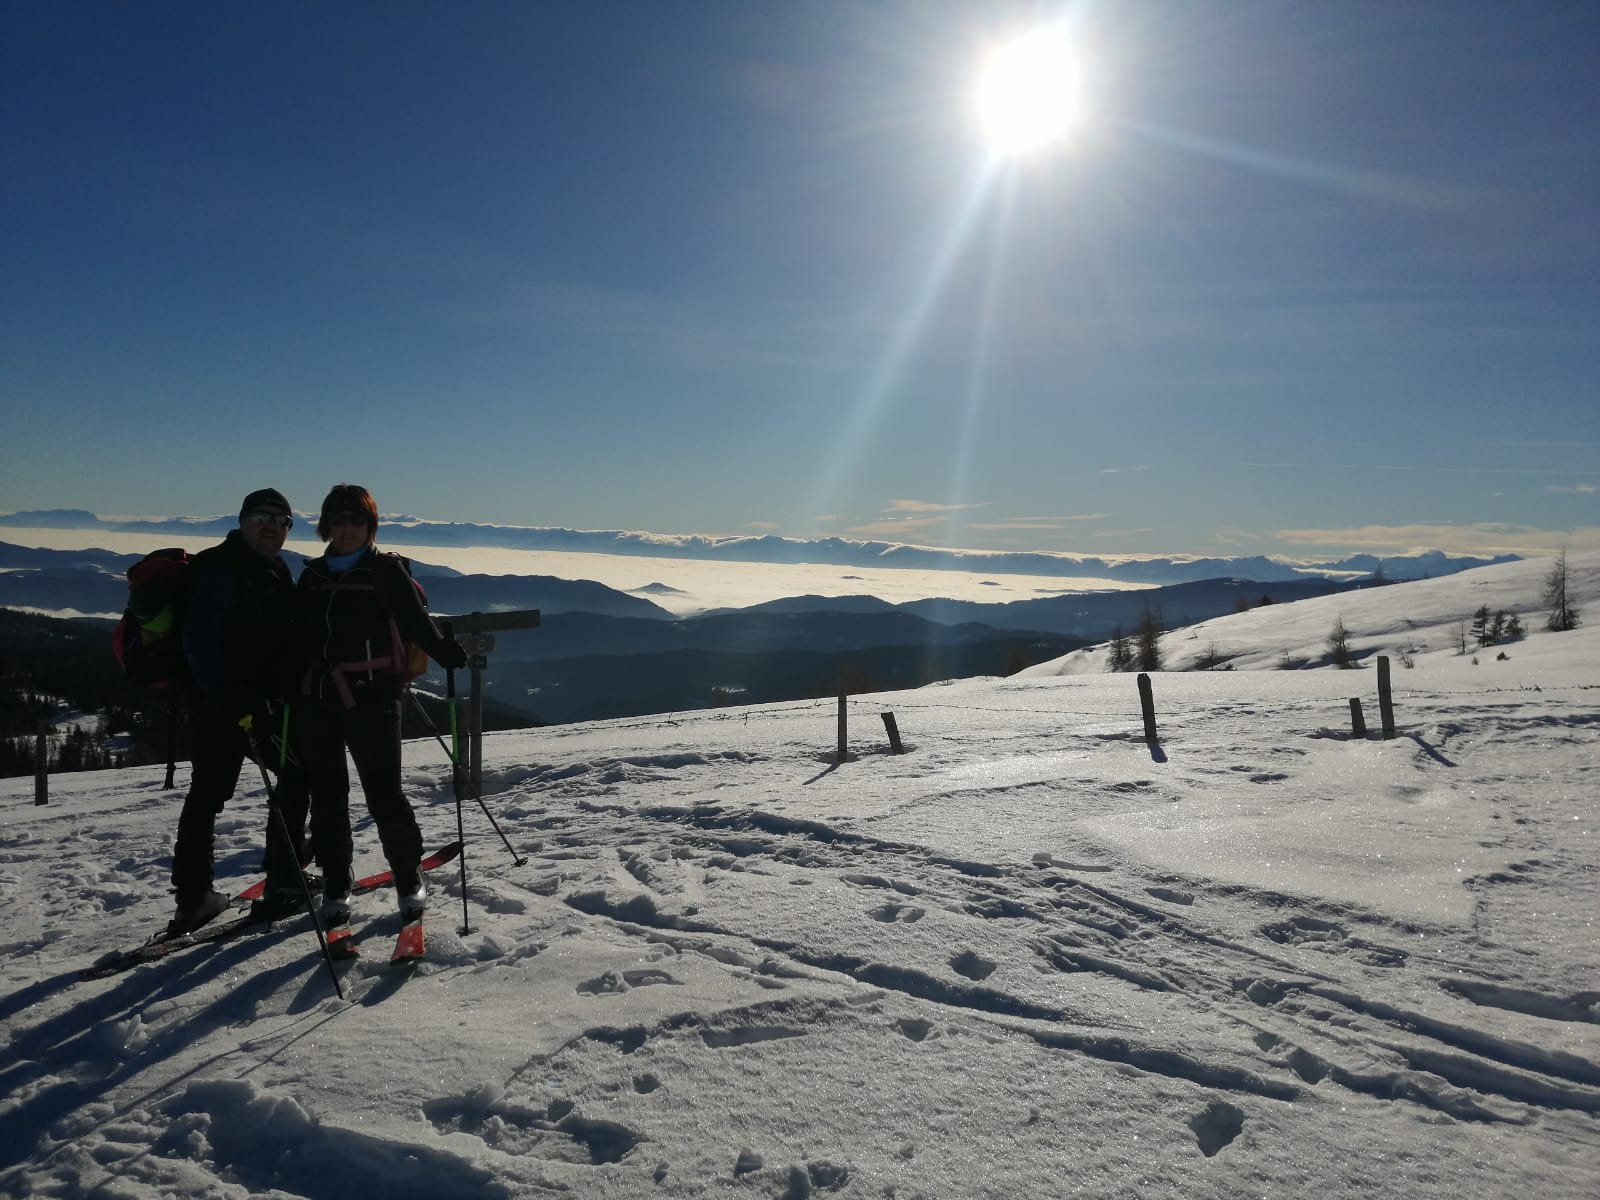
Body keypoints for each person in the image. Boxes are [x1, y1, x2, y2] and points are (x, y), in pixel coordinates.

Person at [293, 483, 465, 924]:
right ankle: (337, 878)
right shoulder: (312, 576)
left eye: (357, 519)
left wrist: (443, 651)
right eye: (339, 519)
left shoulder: (385, 572)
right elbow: (296, 637)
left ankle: (407, 875)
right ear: (326, 525)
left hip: (374, 696)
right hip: (318, 697)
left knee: (384, 793)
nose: (347, 528)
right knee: (327, 794)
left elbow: (416, 621)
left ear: (370, 525)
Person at [169, 488, 311, 934]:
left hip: (218, 703)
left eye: (280, 520)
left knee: (207, 795)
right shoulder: (222, 568)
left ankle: (194, 898)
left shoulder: (267, 567)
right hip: (239, 704)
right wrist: (226, 694)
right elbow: (198, 636)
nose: (271, 526)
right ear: (242, 520)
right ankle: (284, 883)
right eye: (261, 517)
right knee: (296, 775)